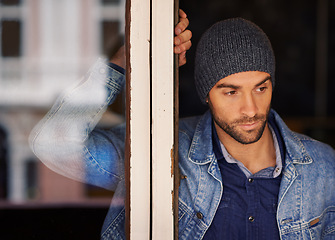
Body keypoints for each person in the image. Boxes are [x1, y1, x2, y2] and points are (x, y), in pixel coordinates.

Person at [29, 12, 335, 240]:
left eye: (260, 88)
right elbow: (54, 144)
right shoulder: (161, 151)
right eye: (231, 92)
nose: (251, 109)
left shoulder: (324, 166)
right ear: (206, 94)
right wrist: (125, 60)